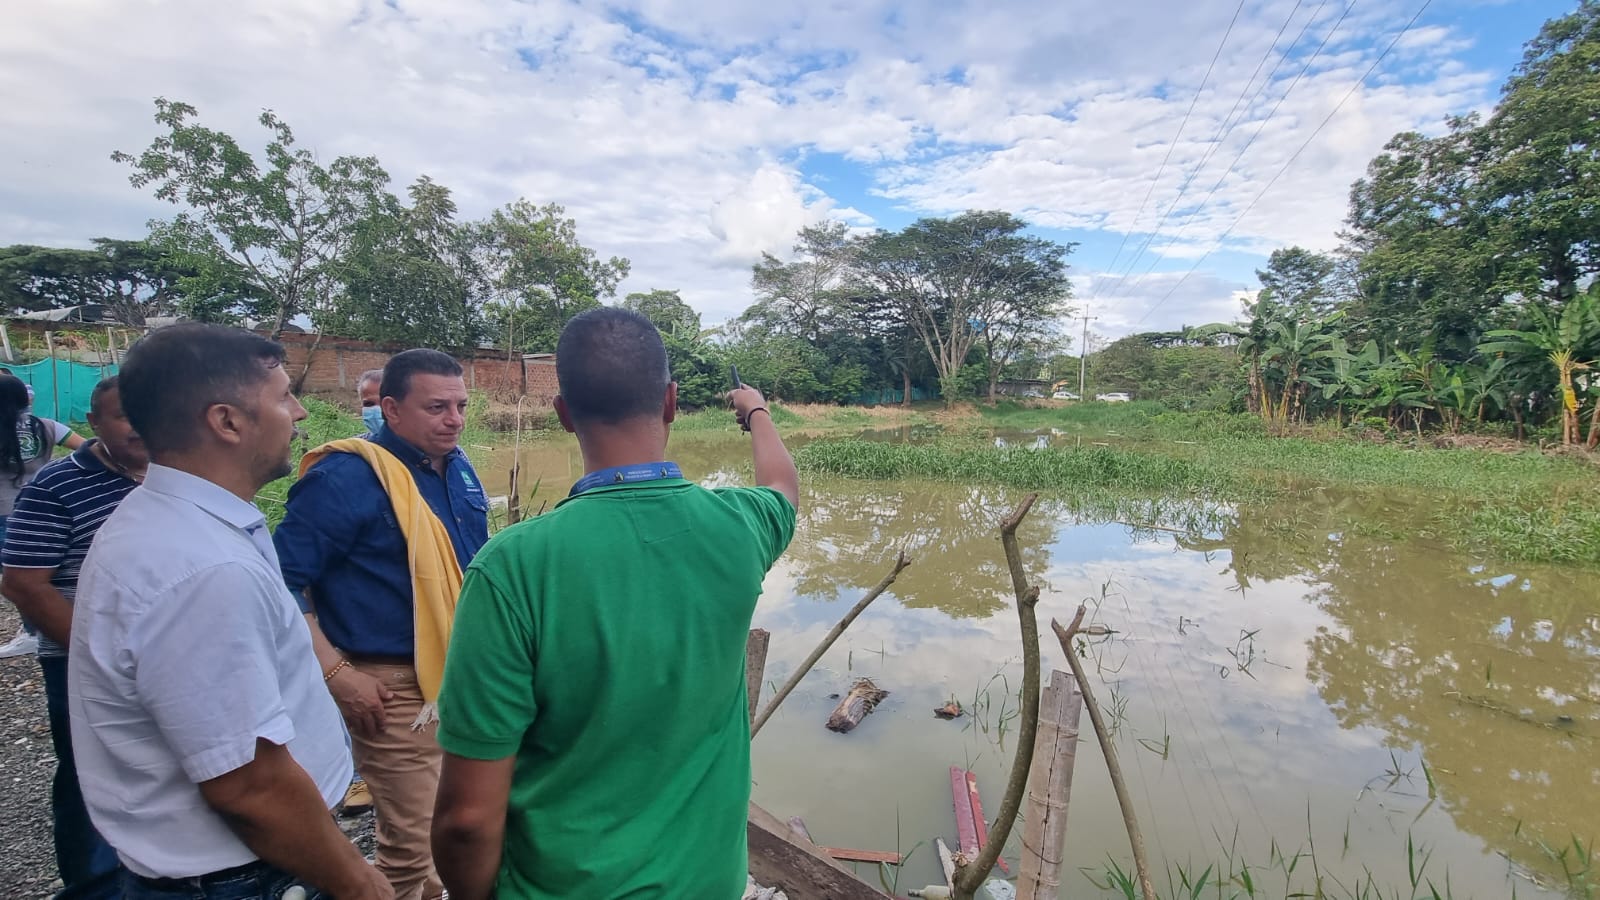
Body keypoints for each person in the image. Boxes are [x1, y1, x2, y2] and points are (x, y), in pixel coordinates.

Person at [431, 308, 799, 900]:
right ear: (671, 403)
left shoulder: (512, 566)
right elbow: (782, 487)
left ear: (563, 415)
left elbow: (467, 821)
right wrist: (756, 411)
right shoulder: (740, 526)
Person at [67, 324, 389, 900]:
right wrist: (360, 883)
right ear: (227, 421)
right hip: (243, 878)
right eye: (284, 395)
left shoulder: (184, 525)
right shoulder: (200, 569)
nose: (300, 412)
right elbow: (249, 786)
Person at [275, 349, 490, 900]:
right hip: (392, 691)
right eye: (437, 407)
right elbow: (278, 582)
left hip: (461, 677)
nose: (455, 419)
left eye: (461, 406)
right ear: (390, 410)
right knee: (423, 843)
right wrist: (337, 672)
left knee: (445, 835)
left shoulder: (457, 466)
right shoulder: (345, 479)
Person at [0, 377, 141, 900]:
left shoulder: (180, 477)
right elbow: (22, 582)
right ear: (94, 423)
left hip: (169, 661)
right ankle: (94, 884)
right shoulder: (56, 487)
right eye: (124, 416)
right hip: (83, 662)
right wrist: (94, 653)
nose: (139, 427)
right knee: (90, 776)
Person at [0, 373, 87, 659]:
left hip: (4, 512)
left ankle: (33, 632)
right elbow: (87, 447)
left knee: (17, 578)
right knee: (46, 576)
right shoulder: (47, 426)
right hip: (43, 511)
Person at [358, 368, 384, 436]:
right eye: (369, 404)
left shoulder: (414, 444)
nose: (377, 409)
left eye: (384, 403)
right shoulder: (354, 446)